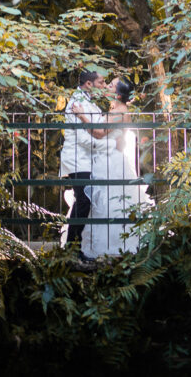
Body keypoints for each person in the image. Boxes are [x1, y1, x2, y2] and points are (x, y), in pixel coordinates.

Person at [81, 76, 153, 259]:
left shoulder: (118, 111)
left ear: (118, 95)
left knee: (110, 200)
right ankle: (116, 244)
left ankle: (111, 246)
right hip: (114, 156)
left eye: (111, 85)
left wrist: (81, 116)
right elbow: (120, 142)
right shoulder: (119, 109)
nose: (107, 86)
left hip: (110, 161)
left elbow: (99, 133)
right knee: (111, 199)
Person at [59, 70, 106, 249]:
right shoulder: (76, 102)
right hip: (77, 158)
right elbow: (82, 138)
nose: (103, 86)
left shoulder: (87, 101)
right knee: (83, 200)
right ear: (88, 84)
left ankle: (75, 245)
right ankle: (72, 246)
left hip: (87, 158)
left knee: (85, 201)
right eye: (100, 83)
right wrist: (105, 145)